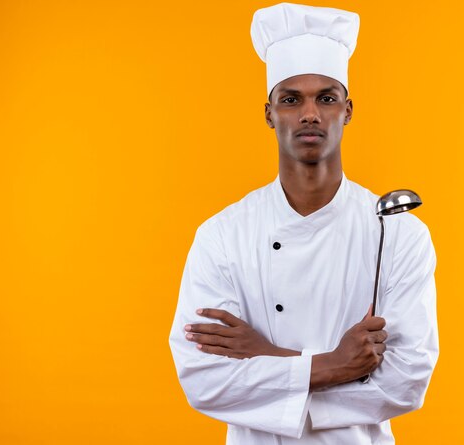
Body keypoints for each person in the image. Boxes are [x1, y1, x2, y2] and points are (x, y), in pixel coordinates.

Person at [168, 3, 439, 444]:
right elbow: (203, 381)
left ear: (347, 110)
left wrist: (267, 359)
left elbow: (407, 381)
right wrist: (334, 364)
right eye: (291, 99)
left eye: (326, 98)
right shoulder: (222, 235)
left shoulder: (399, 233)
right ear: (269, 114)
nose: (309, 113)